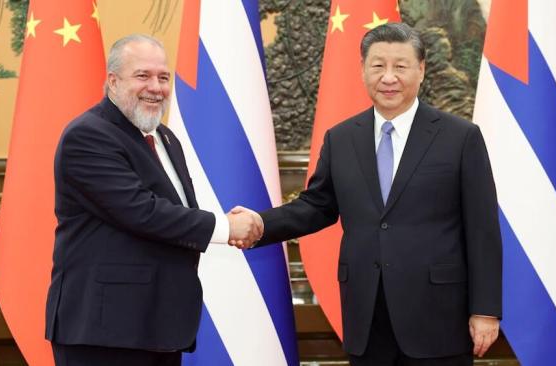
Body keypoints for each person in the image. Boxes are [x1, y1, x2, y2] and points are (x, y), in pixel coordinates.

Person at [231, 23, 502, 365]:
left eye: (400, 66)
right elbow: (317, 206)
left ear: (421, 70)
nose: (388, 77)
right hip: (367, 315)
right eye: (378, 66)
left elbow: (483, 230)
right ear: (362, 70)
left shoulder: (460, 137)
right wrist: (259, 222)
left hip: (438, 317)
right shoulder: (341, 138)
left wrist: (485, 310)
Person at [45, 34, 260, 366]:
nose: (156, 87)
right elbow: (141, 211)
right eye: (142, 75)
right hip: (104, 333)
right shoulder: (88, 135)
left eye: (164, 77)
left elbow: (174, 213)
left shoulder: (164, 137)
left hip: (157, 326)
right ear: (113, 81)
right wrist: (225, 227)